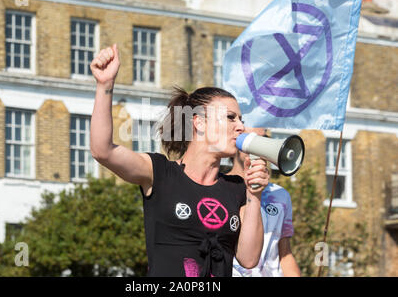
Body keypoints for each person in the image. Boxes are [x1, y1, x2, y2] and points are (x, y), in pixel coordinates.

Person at [89, 44, 270, 277]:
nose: (240, 126)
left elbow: (249, 259)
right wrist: (105, 84)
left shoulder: (236, 188)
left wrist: (255, 194)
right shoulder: (159, 173)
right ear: (199, 123)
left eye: (240, 119)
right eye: (230, 117)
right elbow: (102, 150)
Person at [228, 127, 301, 277]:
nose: (259, 145)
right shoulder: (218, 187)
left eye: (264, 139)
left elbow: (284, 254)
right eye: (252, 139)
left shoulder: (280, 196)